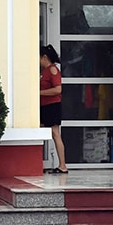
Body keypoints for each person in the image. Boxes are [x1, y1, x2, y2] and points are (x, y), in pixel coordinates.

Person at [40, 45, 67, 174]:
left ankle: (62, 165)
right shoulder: (44, 71)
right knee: (43, 130)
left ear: (44, 57)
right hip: (44, 106)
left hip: (52, 105)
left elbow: (58, 89)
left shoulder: (52, 69)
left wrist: (39, 93)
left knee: (55, 133)